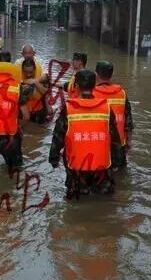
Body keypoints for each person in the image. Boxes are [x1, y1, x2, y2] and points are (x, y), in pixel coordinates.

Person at [49, 69, 120, 198]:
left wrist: (53, 159)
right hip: (102, 168)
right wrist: (116, 162)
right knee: (104, 202)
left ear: (76, 86)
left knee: (76, 201)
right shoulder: (106, 107)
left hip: (77, 169)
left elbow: (58, 136)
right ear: (94, 86)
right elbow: (115, 138)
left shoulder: (68, 108)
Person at [93, 60, 133, 170]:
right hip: (119, 144)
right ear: (111, 75)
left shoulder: (91, 94)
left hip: (99, 143)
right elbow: (128, 120)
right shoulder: (122, 93)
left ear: (96, 74)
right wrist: (129, 141)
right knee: (120, 175)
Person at [21, 58, 51, 124]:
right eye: (26, 72)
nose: (28, 74)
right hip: (25, 112)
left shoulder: (42, 78)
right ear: (22, 70)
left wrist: (35, 82)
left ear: (34, 69)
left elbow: (45, 93)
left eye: (31, 72)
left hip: (39, 113)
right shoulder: (18, 78)